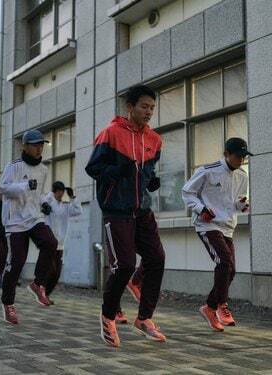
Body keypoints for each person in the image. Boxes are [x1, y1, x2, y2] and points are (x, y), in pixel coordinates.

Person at [85, 84, 166, 347]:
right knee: (126, 264)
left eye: (152, 107)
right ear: (130, 108)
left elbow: (148, 171)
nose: (149, 112)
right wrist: (116, 170)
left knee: (156, 258)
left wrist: (151, 182)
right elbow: (93, 167)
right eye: (144, 107)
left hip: (142, 209)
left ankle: (144, 318)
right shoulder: (110, 133)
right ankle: (108, 316)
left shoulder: (155, 140)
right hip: (116, 209)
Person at [182, 137, 252, 332]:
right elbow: (187, 192)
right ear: (226, 155)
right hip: (207, 224)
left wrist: (242, 205)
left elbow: (236, 203)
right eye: (237, 156)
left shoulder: (242, 176)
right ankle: (222, 306)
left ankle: (209, 307)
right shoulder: (208, 170)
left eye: (243, 157)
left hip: (228, 226)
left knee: (231, 270)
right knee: (224, 261)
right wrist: (201, 208)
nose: (241, 161)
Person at [0, 129, 58, 324]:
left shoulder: (44, 169)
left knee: (50, 242)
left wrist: (44, 204)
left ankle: (38, 284)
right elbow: (2, 188)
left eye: (42, 145)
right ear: (25, 146)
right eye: (35, 145)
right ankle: (8, 304)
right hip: (15, 220)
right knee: (16, 263)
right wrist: (24, 186)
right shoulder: (14, 166)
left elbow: (38, 193)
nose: (40, 149)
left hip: (34, 217)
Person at [42, 181, 82, 303]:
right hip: (49, 242)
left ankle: (46, 295)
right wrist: (49, 197)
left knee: (57, 274)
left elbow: (78, 211)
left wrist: (73, 198)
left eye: (62, 191)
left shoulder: (65, 206)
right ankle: (40, 289)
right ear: (54, 191)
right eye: (58, 191)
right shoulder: (48, 204)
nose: (61, 193)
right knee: (51, 269)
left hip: (60, 244)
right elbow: (42, 201)